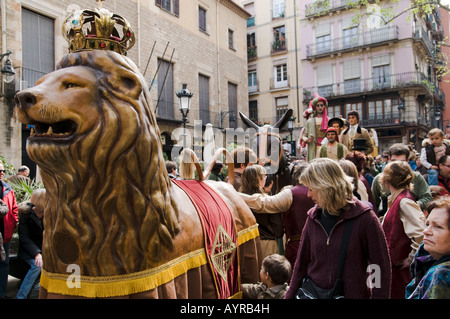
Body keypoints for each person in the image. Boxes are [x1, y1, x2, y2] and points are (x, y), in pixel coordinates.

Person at [285, 158, 391, 299]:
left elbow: (379, 267)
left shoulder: (365, 219)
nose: (308, 194)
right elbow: (300, 266)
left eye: (311, 188)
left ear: (326, 187)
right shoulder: (313, 217)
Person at [239, 162, 315, 267]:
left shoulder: (291, 193)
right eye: (264, 176)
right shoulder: (319, 192)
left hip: (244, 242)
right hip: (269, 243)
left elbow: (263, 204)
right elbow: (277, 227)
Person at [378, 161, 426, 299]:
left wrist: (410, 258)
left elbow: (421, 233)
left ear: (386, 180)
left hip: (401, 270)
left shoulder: (404, 201)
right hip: (395, 268)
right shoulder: (398, 199)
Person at [406, 196, 450, 299]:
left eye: (437, 226)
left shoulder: (442, 274)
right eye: (427, 224)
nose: (425, 231)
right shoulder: (426, 259)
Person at [372, 143, 432, 216]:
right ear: (389, 159)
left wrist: (415, 204)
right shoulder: (379, 179)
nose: (397, 166)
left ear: (407, 161)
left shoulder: (416, 177)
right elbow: (373, 203)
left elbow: (427, 197)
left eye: (401, 162)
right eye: (394, 161)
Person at [240, 165, 283, 259]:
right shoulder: (268, 201)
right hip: (266, 244)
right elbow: (278, 229)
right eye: (264, 177)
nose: (265, 179)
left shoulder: (238, 199)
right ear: (258, 179)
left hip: (244, 243)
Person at [16, 189, 46, 299]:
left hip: (43, 251)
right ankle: (20, 297)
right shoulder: (26, 215)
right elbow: (24, 238)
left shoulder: (49, 215)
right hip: (29, 251)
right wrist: (37, 254)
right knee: (37, 266)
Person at [0, 162, 19, 298]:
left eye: (2, 170)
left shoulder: (8, 188)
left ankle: (2, 293)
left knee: (3, 265)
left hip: (5, 234)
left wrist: (14, 222)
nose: (2, 173)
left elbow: (14, 208)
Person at [302, 95, 330, 161]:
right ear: (315, 107)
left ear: (324, 107)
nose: (320, 107)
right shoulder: (310, 121)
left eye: (321, 105)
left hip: (326, 147)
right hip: (313, 147)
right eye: (318, 106)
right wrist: (307, 139)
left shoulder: (329, 120)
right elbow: (303, 136)